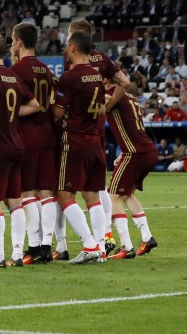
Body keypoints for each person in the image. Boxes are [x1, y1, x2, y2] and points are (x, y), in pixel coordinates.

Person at [65, 19, 132, 255]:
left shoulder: (72, 63)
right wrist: (109, 105)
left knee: (67, 189)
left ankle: (67, 243)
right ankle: (106, 236)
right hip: (97, 127)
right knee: (97, 184)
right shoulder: (102, 59)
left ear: (75, 40)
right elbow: (125, 82)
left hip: (75, 130)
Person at [0, 35, 40, 268]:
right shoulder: (13, 76)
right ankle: (16, 254)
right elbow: (35, 105)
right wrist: (12, 115)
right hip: (17, 144)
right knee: (15, 201)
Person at [52, 31, 108, 265]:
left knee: (63, 194)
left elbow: (58, 113)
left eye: (67, 45)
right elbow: (103, 109)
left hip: (73, 141)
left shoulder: (70, 77)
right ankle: (101, 248)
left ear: (74, 47)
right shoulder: (97, 76)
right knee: (93, 196)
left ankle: (89, 244)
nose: (65, 49)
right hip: (94, 140)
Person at [9, 22, 61, 263]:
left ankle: (34, 246)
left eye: (12, 39)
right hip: (47, 133)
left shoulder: (18, 70)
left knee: (27, 191)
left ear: (19, 42)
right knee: (46, 192)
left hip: (27, 135)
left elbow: (13, 105)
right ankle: (47, 246)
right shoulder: (46, 69)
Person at [105, 80, 159, 259]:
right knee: (126, 194)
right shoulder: (131, 99)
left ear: (105, 80)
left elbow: (99, 104)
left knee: (111, 196)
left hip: (135, 153)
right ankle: (147, 237)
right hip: (146, 149)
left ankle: (126, 247)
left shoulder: (114, 96)